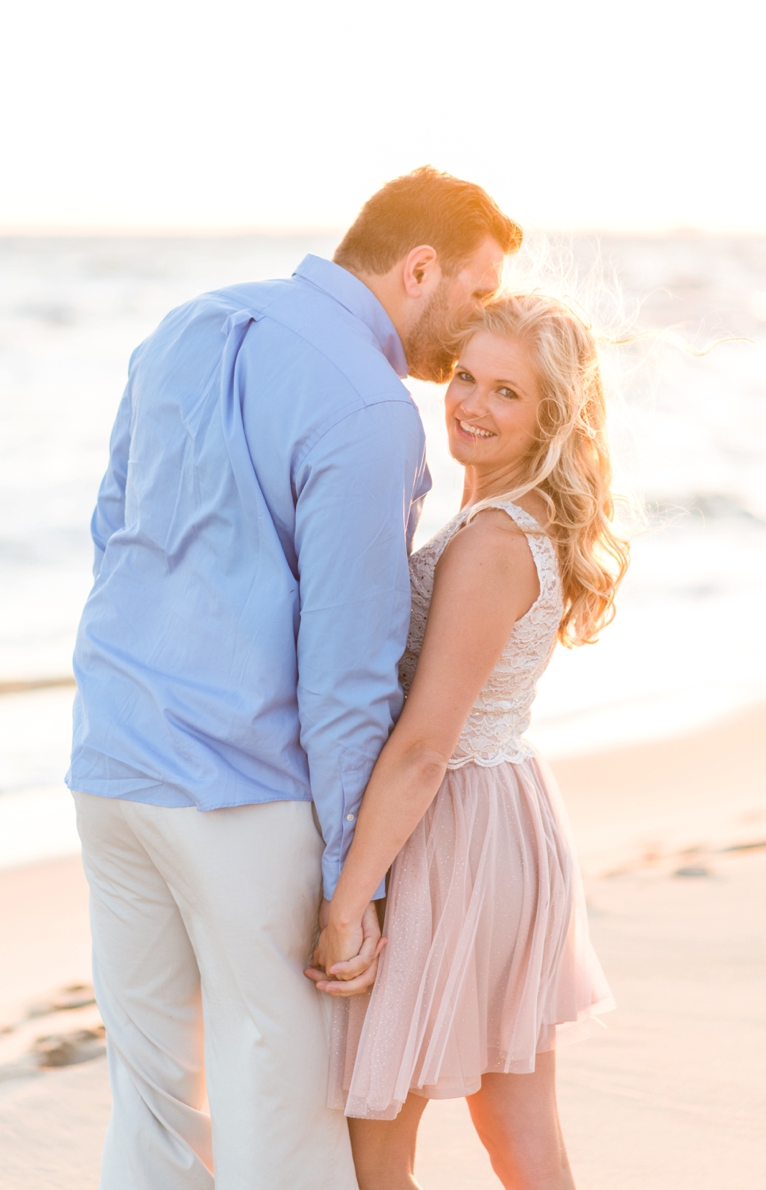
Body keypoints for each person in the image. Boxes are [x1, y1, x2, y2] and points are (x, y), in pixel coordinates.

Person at [66, 167, 521, 1189]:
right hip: (244, 793)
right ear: (418, 268)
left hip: (110, 762)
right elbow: (347, 670)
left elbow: (113, 532)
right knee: (281, 1111)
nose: (478, 320)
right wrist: (350, 886)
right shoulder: (370, 407)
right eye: (479, 291)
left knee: (149, 1102)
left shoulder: (185, 324)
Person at [312, 294, 625, 1190]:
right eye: (463, 378)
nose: (472, 406)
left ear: (552, 418)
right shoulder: (519, 520)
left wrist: (348, 903)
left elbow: (423, 748)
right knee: (525, 1145)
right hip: (510, 818)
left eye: (507, 394)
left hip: (455, 835)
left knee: (376, 1158)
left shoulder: (491, 540)